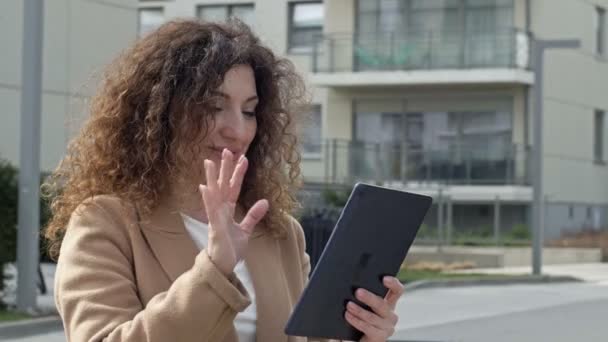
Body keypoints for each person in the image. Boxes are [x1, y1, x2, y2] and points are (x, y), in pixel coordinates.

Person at [43, 19, 403, 342]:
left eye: (249, 111)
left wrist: (362, 337)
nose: (237, 129)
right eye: (214, 106)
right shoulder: (105, 223)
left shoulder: (281, 233)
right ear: (163, 114)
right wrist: (214, 270)